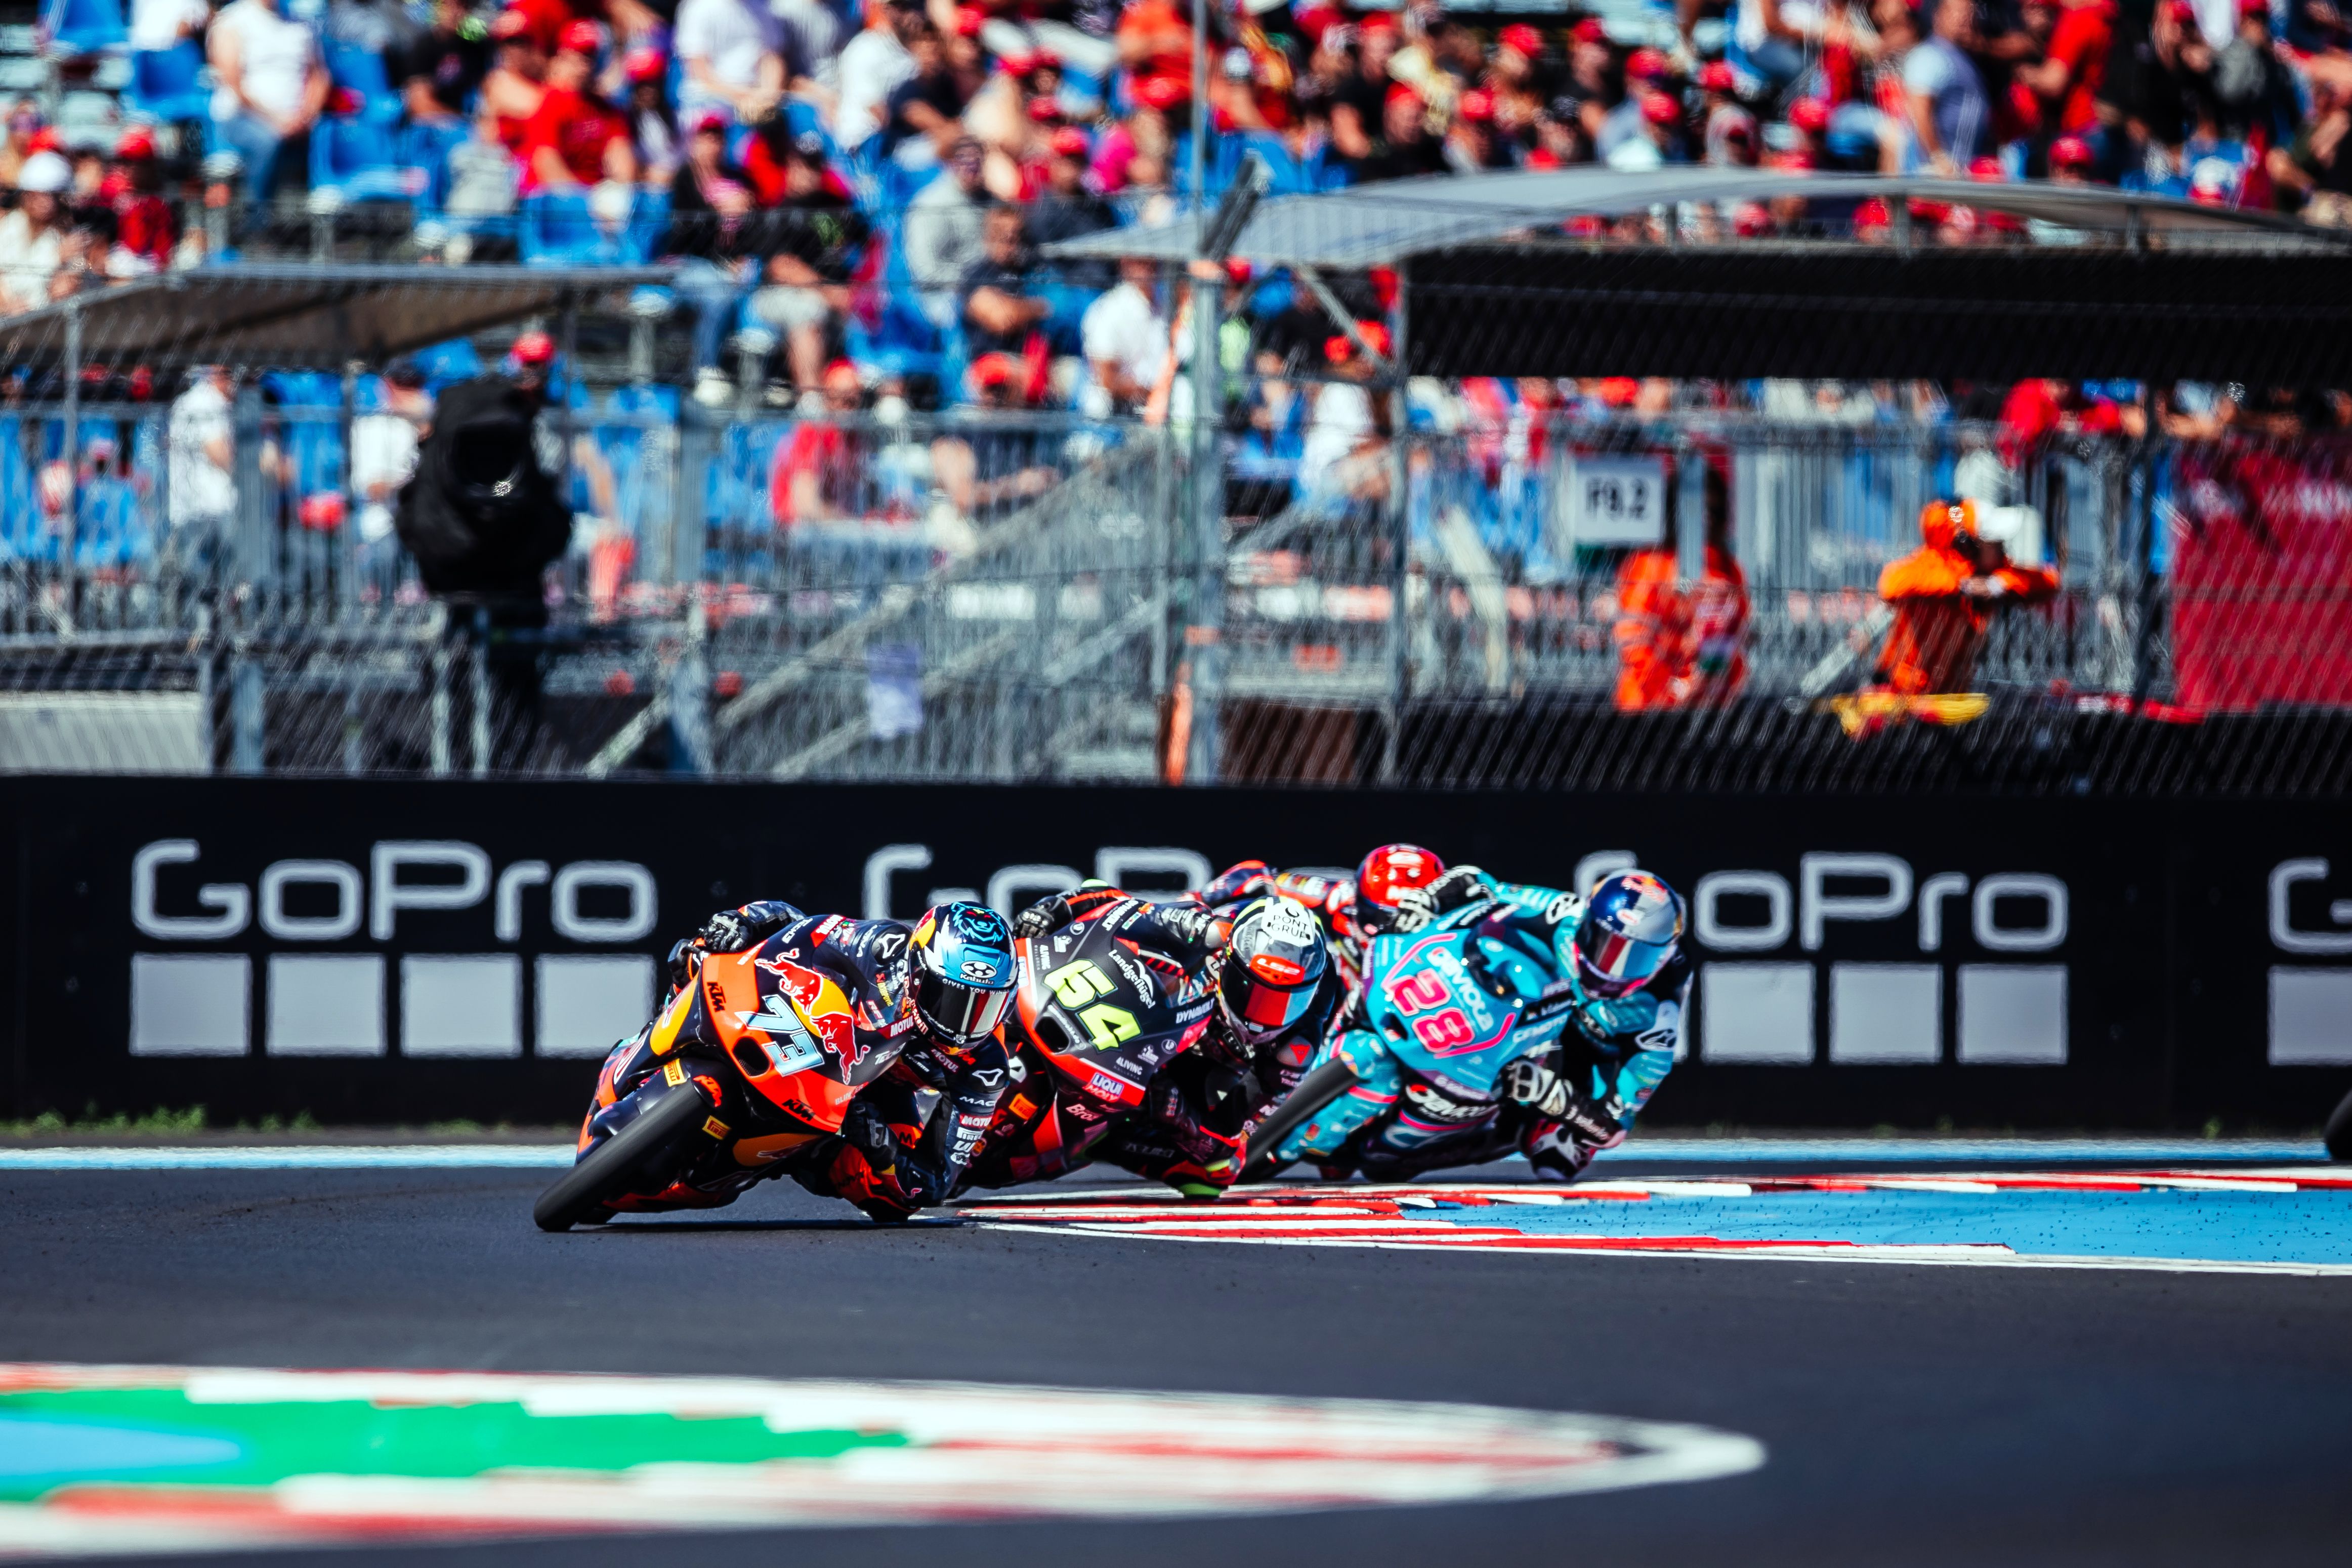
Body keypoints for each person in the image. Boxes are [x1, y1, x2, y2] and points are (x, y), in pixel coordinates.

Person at [1269, 867, 1690, 1183]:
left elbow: (1613, 1128)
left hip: (1576, 1062)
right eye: (1605, 942)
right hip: (1525, 1019)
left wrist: (1553, 1096)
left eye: (1632, 956)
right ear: (1589, 922)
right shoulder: (1564, 912)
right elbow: (1476, 882)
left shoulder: (1658, 1015)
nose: (1611, 966)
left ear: (1661, 957)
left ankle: (1416, 1151)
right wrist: (1425, 903)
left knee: (1557, 1158)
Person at [618, 898, 1016, 1222]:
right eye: (952, 999)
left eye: (986, 1006)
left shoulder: (985, 1069)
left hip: (875, 1095)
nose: (964, 1025)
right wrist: (744, 922)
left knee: (897, 1200)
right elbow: (802, 925)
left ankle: (801, 1153)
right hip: (816, 1033)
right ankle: (659, 1029)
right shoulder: (882, 947)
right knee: (702, 951)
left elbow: (935, 1181)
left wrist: (881, 1145)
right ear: (917, 971)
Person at [991, 889, 1336, 1195]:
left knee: (1217, 1172)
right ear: (1230, 963)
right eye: (1256, 993)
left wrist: (1181, 1114)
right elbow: (1120, 904)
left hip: (1203, 1072)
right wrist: (1056, 909)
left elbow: (1235, 1137)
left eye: (1285, 1002)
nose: (1263, 1018)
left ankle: (1092, 1143)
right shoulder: (1213, 930)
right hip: (1158, 1026)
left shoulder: (1295, 1048)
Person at [1872, 497, 2060, 694]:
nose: (2003, 550)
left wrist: (1996, 585)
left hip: (1951, 692)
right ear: (1972, 546)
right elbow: (1890, 584)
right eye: (1996, 544)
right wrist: (1962, 585)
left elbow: (2050, 581)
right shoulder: (1935, 564)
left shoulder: (1989, 573)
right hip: (1905, 691)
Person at [207, 0, 330, 202]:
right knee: (267, 141)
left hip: (296, 120)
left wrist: (306, 116)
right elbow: (232, 80)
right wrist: (277, 120)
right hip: (241, 117)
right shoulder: (231, 21)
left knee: (329, 135)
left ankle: (319, 209)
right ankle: (258, 214)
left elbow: (319, 76)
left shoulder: (301, 24)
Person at [518, 22, 638, 193]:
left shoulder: (606, 108)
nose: (585, 62)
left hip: (596, 193)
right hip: (551, 196)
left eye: (589, 55)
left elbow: (621, 156)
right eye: (578, 54)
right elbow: (547, 162)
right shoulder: (549, 102)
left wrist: (617, 191)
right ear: (563, 56)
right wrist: (585, 199)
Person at [350, 360, 431, 592]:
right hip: (382, 531)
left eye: (414, 384)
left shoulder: (433, 424)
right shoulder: (371, 427)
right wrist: (416, 484)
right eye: (402, 384)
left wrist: (427, 429)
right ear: (386, 385)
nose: (409, 392)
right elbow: (372, 487)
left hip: (425, 528)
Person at [903, 135, 987, 327]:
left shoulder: (989, 200)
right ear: (951, 162)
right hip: (944, 297)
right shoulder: (930, 205)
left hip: (988, 284)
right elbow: (927, 269)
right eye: (964, 160)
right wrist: (975, 282)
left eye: (976, 162)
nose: (971, 168)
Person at [1903, 0, 1992, 173]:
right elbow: (1919, 111)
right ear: (1937, 17)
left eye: (1968, 12)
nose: (1963, 18)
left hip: (1960, 171)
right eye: (1955, 12)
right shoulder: (1930, 56)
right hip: (1935, 175)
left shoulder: (1962, 56)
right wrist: (1938, 159)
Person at [675, 0, 785, 126]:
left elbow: (773, 59)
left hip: (756, 98)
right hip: (710, 99)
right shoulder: (698, 8)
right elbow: (700, 73)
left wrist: (768, 96)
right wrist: (745, 98)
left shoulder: (763, 8)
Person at [0, 150, 80, 314]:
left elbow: (66, 287)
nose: (48, 203)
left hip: (45, 321)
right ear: (26, 195)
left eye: (55, 196)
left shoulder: (67, 237)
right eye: (41, 195)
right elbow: (11, 283)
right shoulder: (8, 227)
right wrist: (55, 258)